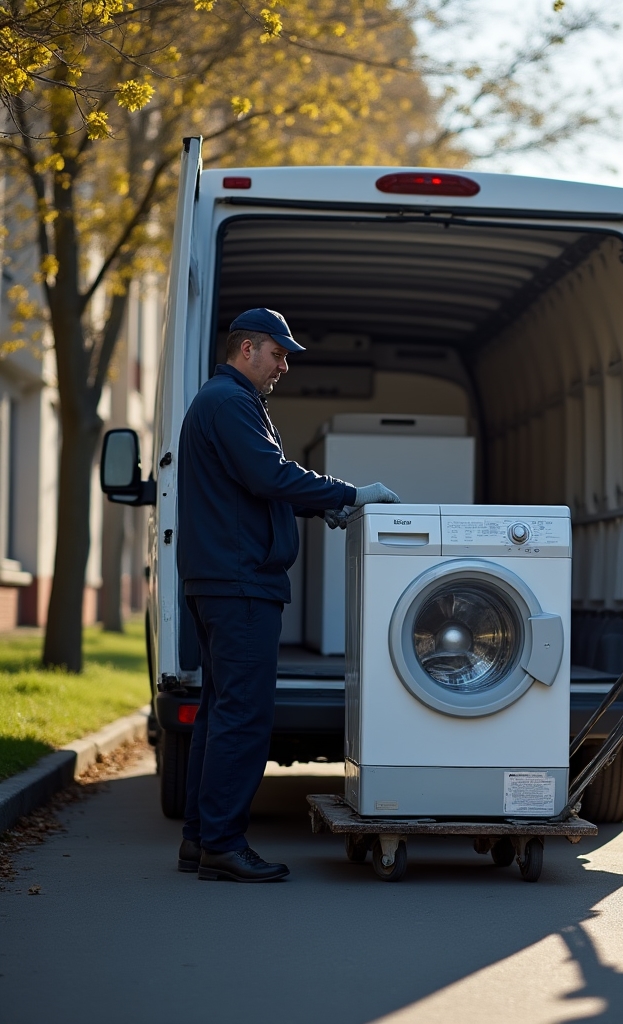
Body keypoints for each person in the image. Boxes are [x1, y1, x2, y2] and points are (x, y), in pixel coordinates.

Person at [175, 308, 399, 882]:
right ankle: (223, 845)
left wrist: (322, 504)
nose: (283, 367)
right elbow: (269, 476)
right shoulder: (229, 403)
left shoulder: (226, 402)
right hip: (240, 582)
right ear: (247, 348)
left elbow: (262, 483)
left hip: (224, 577)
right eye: (278, 354)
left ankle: (201, 840)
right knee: (244, 717)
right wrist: (351, 492)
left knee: (218, 712)